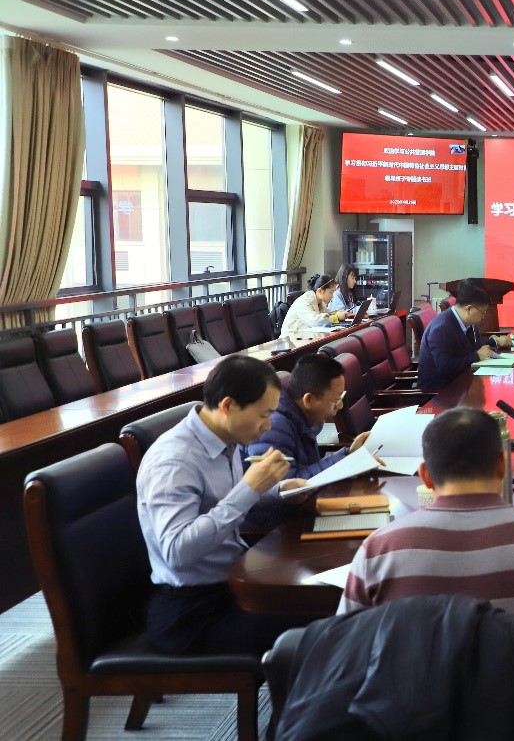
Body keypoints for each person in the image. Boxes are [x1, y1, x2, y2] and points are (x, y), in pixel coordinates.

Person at [338, 407, 514, 653]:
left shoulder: (379, 549)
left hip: (411, 687)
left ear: (425, 476)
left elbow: (345, 652)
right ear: (502, 465)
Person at [136, 355, 309, 655]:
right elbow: (177, 551)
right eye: (264, 415)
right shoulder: (175, 461)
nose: (268, 426)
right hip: (191, 612)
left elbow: (222, 502)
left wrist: (278, 491)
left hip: (232, 585)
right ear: (228, 406)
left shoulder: (226, 439)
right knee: (315, 628)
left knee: (325, 602)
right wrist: (248, 489)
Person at [245, 354, 370, 480]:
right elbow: (291, 485)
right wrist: (348, 459)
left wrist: (350, 453)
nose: (341, 406)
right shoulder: (274, 428)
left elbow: (307, 468)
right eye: (336, 399)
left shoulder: (306, 416)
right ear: (309, 400)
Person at [415, 284, 511, 391]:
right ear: (469, 309)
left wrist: (494, 341)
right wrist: (476, 356)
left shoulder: (466, 322)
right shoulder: (442, 328)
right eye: (483, 312)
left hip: (460, 383)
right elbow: (446, 368)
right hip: (439, 393)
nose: (484, 316)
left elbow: (471, 344)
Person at [281, 273, 347, 338]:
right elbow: (315, 322)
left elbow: (327, 313)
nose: (332, 296)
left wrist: (339, 313)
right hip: (290, 339)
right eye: (331, 292)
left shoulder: (320, 301)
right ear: (320, 291)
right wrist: (336, 317)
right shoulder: (305, 301)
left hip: (304, 337)